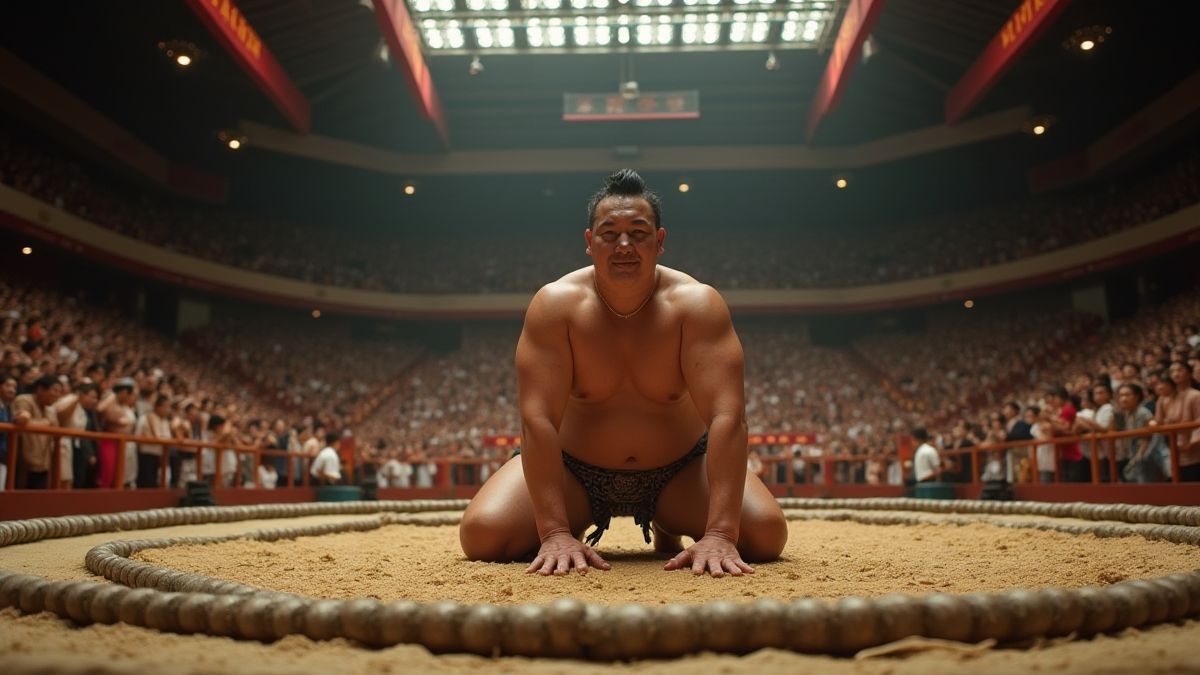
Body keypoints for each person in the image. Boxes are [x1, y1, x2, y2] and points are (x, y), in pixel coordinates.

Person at [459, 169, 787, 578]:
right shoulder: (556, 306)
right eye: (609, 233)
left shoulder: (696, 305)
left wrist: (721, 532)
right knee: (483, 537)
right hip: (573, 472)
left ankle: (671, 523)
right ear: (589, 241)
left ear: (660, 241)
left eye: (639, 232)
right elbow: (537, 419)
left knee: (765, 536)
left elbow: (727, 417)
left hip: (679, 472)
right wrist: (554, 531)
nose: (624, 245)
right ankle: (570, 525)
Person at [1152, 362, 1200, 481]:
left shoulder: (1195, 395)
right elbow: (1159, 422)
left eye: (1179, 370)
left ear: (1189, 373)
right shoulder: (1165, 399)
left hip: (1193, 449)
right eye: (1172, 371)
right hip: (1173, 449)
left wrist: (1191, 443)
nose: (1175, 374)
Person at [11, 374, 60, 489]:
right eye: (55, 390)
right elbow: (21, 420)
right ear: (40, 389)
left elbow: (56, 427)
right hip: (23, 462)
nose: (57, 395)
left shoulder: (50, 409)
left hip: (43, 462)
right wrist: (46, 423)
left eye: (59, 391)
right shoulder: (24, 399)